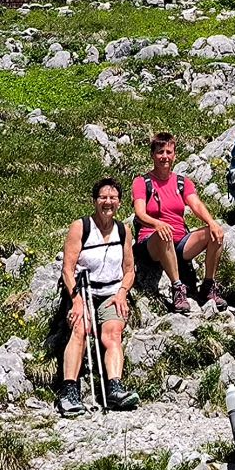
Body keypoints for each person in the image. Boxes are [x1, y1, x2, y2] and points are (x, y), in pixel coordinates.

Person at [56, 179, 139, 417]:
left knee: (112, 333)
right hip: (83, 290)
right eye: (103, 197)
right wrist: (77, 300)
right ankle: (69, 390)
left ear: (120, 203)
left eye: (113, 198)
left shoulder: (123, 231)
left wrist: (122, 293)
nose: (108, 202)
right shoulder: (80, 227)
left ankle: (114, 388)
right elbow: (67, 269)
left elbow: (130, 269)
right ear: (95, 201)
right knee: (81, 329)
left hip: (112, 292)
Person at [132, 130, 224, 314]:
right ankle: (177, 288)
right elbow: (140, 213)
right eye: (160, 152)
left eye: (168, 152)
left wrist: (212, 223)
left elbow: (195, 204)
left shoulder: (183, 182)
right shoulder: (142, 182)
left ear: (175, 155)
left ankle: (208, 285)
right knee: (163, 233)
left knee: (215, 234)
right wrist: (157, 224)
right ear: (152, 155)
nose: (164, 157)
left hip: (179, 240)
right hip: (151, 241)